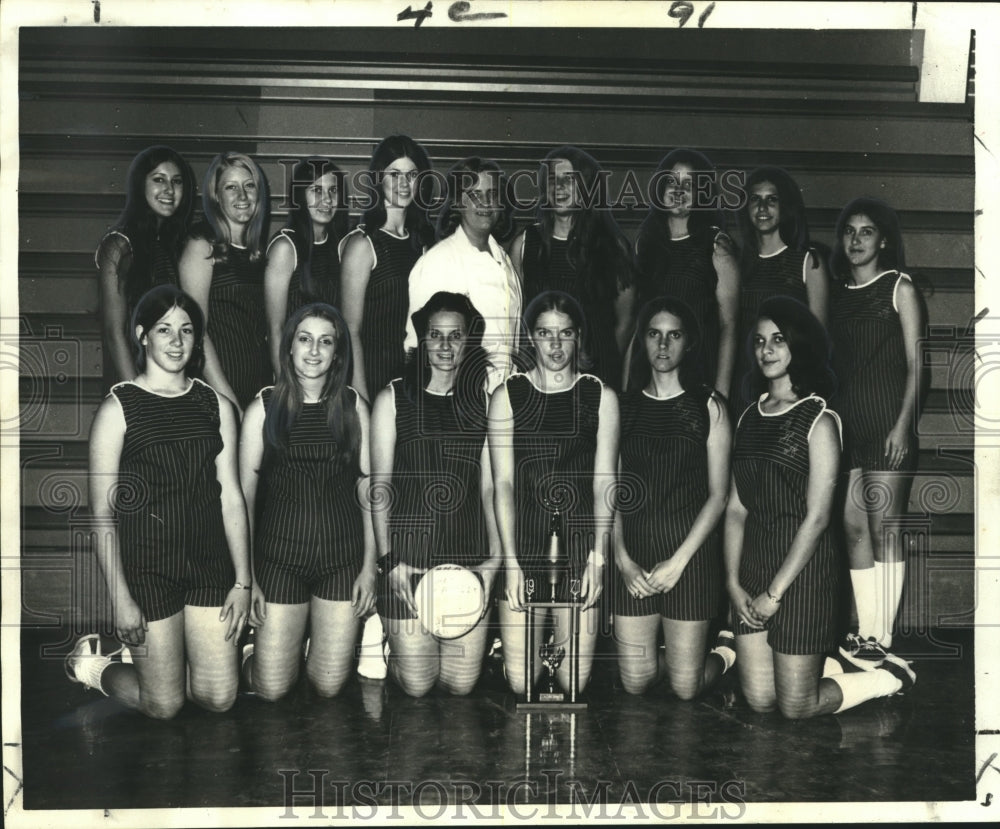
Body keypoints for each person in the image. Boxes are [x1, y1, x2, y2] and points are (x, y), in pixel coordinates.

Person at [66, 285, 254, 719]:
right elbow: (101, 513)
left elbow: (230, 496)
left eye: (186, 330)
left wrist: (242, 581)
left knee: (218, 697)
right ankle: (91, 664)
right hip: (150, 569)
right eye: (164, 329)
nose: (176, 340)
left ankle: (177, 662)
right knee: (165, 705)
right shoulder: (119, 407)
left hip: (208, 564)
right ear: (141, 335)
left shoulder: (215, 405)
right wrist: (121, 599)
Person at [725, 295, 915, 719]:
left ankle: (889, 676)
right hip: (754, 566)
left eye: (778, 340)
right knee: (760, 699)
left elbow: (817, 519)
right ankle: (821, 667)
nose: (766, 350)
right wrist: (734, 584)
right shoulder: (747, 418)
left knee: (796, 707)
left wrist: (774, 594)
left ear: (799, 346)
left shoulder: (820, 419)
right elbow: (737, 510)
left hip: (802, 577)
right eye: (759, 342)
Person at [239, 303, 376, 700]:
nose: (314, 350)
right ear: (289, 347)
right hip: (279, 560)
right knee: (273, 689)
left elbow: (370, 493)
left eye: (325, 342)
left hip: (342, 560)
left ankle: (299, 645)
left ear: (337, 354)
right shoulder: (262, 408)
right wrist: (248, 579)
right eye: (304, 339)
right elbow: (244, 498)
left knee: (329, 686)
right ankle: (255, 654)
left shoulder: (354, 408)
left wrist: (370, 568)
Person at [370, 292, 501, 696]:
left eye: (455, 336)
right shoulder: (393, 398)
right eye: (435, 335)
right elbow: (379, 487)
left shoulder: (483, 402)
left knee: (460, 686)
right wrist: (389, 561)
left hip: (466, 560)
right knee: (418, 685)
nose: (445, 346)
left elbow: (491, 487)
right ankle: (382, 641)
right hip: (408, 562)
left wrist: (494, 560)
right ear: (422, 341)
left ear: (469, 342)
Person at [489, 291, 618, 695]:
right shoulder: (507, 396)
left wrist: (597, 558)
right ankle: (512, 650)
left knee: (571, 684)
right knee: (521, 683)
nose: (556, 344)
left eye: (565, 333)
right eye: (545, 333)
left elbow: (603, 484)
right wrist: (510, 563)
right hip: (525, 542)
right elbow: (503, 485)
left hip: (579, 546)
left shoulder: (600, 396)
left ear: (578, 337)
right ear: (531, 338)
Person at [614, 296, 734, 697]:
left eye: (674, 335)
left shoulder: (709, 406)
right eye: (654, 334)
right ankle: (673, 654)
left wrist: (679, 562)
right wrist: (623, 561)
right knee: (635, 682)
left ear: (688, 343)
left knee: (686, 687)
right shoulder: (622, 407)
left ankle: (724, 652)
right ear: (642, 341)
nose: (663, 345)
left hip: (689, 559)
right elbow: (608, 492)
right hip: (635, 560)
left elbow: (718, 496)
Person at [828, 198, 926, 668]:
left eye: (866, 232)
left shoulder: (899, 287)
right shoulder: (838, 292)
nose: (856, 240)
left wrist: (904, 424)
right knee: (852, 525)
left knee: (885, 526)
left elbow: (916, 363)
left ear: (883, 240)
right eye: (849, 231)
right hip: (851, 426)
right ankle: (865, 629)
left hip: (889, 424)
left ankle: (881, 636)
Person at [509, 145, 635, 390]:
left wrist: (600, 359)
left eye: (570, 179)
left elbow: (626, 320)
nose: (559, 187)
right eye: (553, 180)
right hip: (541, 374)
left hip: (596, 375)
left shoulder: (612, 246)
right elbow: (517, 318)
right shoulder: (525, 243)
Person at [405, 156, 522, 391]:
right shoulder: (438, 262)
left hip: (503, 399)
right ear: (458, 202)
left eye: (492, 194)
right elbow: (416, 347)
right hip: (459, 403)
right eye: (475, 195)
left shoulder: (505, 261)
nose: (486, 203)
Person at [633, 148, 740, 397]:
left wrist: (720, 396)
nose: (678, 191)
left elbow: (730, 326)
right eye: (671, 181)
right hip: (650, 377)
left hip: (698, 374)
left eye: (688, 184)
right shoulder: (646, 244)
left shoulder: (716, 244)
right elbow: (638, 324)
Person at [340, 135, 435, 403]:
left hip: (413, 380)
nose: (404, 184)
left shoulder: (424, 244)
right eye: (394, 174)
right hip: (372, 379)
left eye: (412, 174)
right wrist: (361, 400)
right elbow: (350, 329)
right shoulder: (363, 245)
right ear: (379, 179)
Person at [180, 151, 272, 413]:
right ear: (216, 196)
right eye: (231, 187)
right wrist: (228, 402)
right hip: (218, 395)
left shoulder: (257, 254)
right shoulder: (202, 246)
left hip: (258, 391)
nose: (242, 196)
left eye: (249, 185)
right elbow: (197, 332)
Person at [97, 145, 196, 385]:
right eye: (159, 180)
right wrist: (136, 397)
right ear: (140, 185)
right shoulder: (119, 245)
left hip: (169, 380)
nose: (169, 190)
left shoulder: (174, 244)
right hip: (133, 381)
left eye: (177, 181)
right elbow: (114, 332)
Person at [733, 166, 829, 410]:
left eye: (771, 200)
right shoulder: (736, 264)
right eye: (755, 199)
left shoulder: (807, 261)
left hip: (791, 388)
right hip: (744, 384)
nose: (762, 208)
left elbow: (818, 339)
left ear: (785, 207)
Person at [264, 157, 350, 376]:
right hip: (293, 374)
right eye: (316, 191)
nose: (327, 199)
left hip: (328, 372)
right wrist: (286, 386)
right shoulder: (285, 247)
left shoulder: (342, 245)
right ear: (300, 196)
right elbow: (274, 329)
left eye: (333, 191)